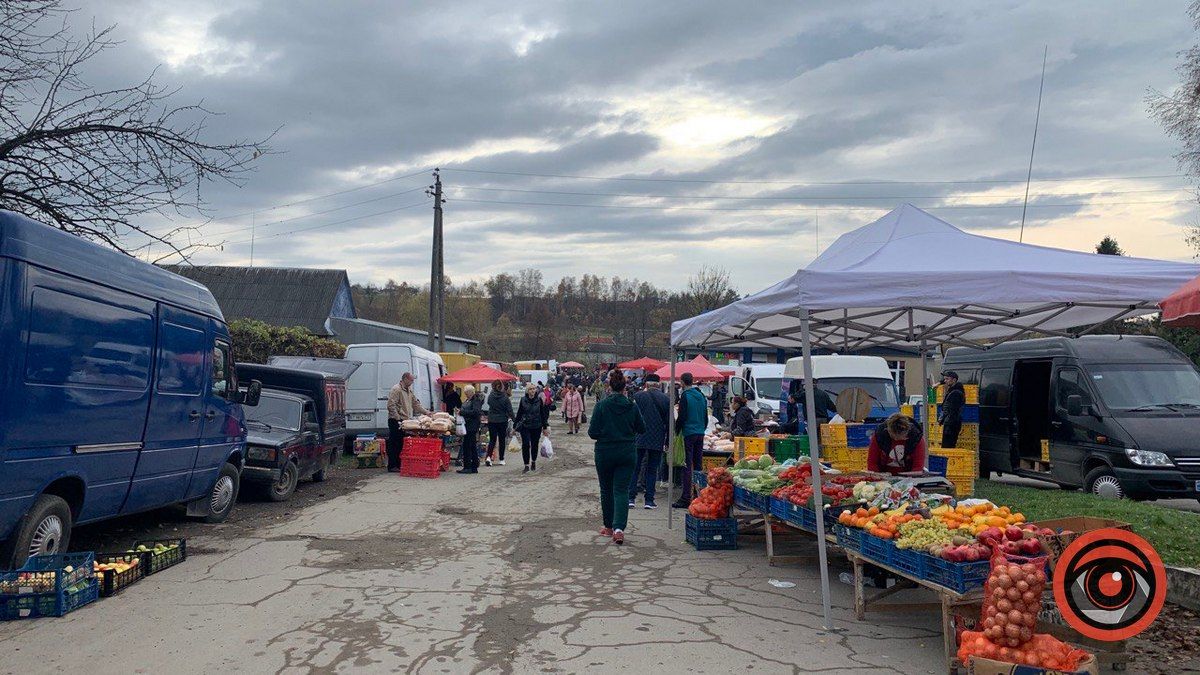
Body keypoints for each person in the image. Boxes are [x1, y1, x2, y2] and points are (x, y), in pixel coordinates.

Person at [589, 370, 645, 545]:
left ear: (609, 386)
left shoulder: (601, 406)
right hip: (627, 451)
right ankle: (619, 528)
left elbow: (592, 432)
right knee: (621, 490)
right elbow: (641, 428)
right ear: (624, 387)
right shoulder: (632, 406)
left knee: (606, 490)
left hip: (605, 452)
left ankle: (608, 526)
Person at [629, 374, 669, 509]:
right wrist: (668, 440)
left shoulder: (638, 396)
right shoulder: (666, 399)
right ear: (658, 384)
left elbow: (631, 417)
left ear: (646, 384)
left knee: (635, 468)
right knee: (652, 470)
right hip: (657, 439)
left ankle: (630, 498)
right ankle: (649, 500)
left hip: (639, 437)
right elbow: (670, 423)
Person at [672, 372, 709, 508]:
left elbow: (682, 417)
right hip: (700, 432)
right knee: (698, 466)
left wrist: (676, 430)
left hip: (689, 433)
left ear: (682, 382)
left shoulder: (685, 396)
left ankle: (686, 497)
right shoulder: (701, 395)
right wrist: (702, 428)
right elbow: (705, 417)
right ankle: (699, 494)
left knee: (687, 465)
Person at [387, 372, 428, 472]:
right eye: (411, 380)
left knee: (401, 443)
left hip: (405, 420)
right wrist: (397, 418)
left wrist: (427, 412)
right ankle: (392, 465)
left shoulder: (409, 390)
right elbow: (391, 405)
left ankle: (399, 464)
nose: (412, 382)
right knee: (395, 443)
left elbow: (415, 404)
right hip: (396, 420)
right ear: (405, 379)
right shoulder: (396, 389)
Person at [516, 383, 550, 472]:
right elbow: (519, 413)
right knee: (526, 444)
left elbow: (542, 414)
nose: (533, 390)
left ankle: (533, 461)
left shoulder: (539, 400)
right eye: (531, 389)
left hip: (536, 425)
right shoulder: (523, 400)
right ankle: (526, 465)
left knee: (534, 445)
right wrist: (514, 426)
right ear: (527, 391)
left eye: (534, 389)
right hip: (525, 425)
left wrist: (545, 427)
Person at [485, 380, 514, 466]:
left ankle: (489, 457)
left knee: (492, 440)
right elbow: (510, 410)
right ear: (501, 387)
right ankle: (501, 459)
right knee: (502, 440)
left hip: (491, 420)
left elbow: (489, 403)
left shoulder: (490, 396)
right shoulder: (505, 397)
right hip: (502, 420)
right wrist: (514, 419)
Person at [458, 385, 484, 474]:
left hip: (471, 426)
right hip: (467, 425)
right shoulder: (468, 400)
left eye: (467, 393)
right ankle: (474, 466)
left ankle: (468, 467)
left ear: (472, 392)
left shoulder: (476, 400)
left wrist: (462, 412)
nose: (466, 395)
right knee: (472, 446)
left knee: (467, 446)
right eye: (465, 393)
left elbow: (476, 412)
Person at [939, 370, 965, 449]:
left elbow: (953, 411)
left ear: (954, 380)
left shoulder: (956, 393)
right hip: (950, 423)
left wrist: (946, 422)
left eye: (947, 379)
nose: (945, 381)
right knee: (947, 446)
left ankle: (949, 461)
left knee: (948, 447)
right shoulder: (953, 390)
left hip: (951, 424)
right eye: (945, 379)